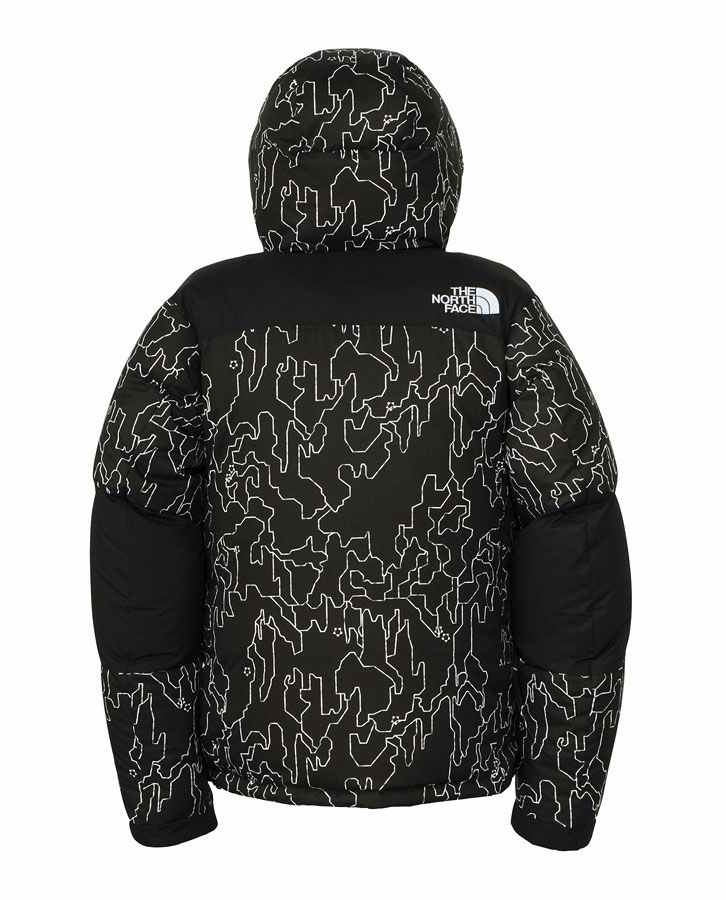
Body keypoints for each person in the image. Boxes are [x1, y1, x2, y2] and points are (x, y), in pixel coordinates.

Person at [91, 48, 631, 850]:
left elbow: (139, 550)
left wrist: (163, 796)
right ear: (440, 164)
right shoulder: (494, 309)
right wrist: (560, 798)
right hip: (463, 785)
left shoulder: (207, 315)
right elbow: (575, 546)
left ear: (270, 167)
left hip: (252, 784)